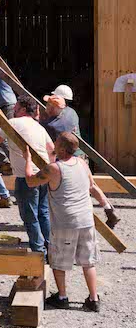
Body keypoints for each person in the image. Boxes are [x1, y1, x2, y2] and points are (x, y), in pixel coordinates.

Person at [22, 132, 100, 312]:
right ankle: (93, 299)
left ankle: (62, 297)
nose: (53, 144)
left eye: (56, 143)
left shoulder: (54, 169)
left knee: (58, 261)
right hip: (86, 220)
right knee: (88, 262)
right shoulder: (81, 163)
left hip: (66, 222)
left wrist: (27, 159)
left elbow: (30, 181)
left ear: (63, 148)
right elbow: (91, 185)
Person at [41, 85, 121, 229]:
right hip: (81, 156)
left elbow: (50, 147)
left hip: (66, 160)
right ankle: (108, 208)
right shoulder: (72, 113)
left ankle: (64, 219)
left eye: (49, 105)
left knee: (63, 191)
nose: (47, 107)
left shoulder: (51, 125)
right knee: (91, 185)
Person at [0, 95, 54, 255]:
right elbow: (51, 149)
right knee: (43, 212)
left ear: (23, 109)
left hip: (26, 176)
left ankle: (38, 252)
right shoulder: (39, 126)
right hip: (43, 174)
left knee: (30, 215)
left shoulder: (12, 123)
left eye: (16, 108)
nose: (14, 111)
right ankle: (51, 248)